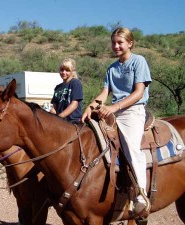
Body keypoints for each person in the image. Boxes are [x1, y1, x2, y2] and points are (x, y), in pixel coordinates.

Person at [81, 27, 152, 215]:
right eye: (114, 42)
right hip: (113, 111)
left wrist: (114, 107)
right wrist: (90, 106)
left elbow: (138, 93)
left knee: (130, 146)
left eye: (120, 42)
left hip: (132, 111)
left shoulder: (139, 61)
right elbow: (105, 93)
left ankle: (141, 195)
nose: (116, 46)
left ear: (130, 43)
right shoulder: (112, 68)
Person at [50, 58, 83, 124]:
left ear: (72, 71)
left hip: (73, 121)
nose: (64, 72)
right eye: (62, 70)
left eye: (67, 70)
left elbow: (74, 104)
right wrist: (51, 113)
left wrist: (60, 116)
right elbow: (54, 106)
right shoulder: (58, 87)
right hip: (60, 121)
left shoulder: (75, 83)